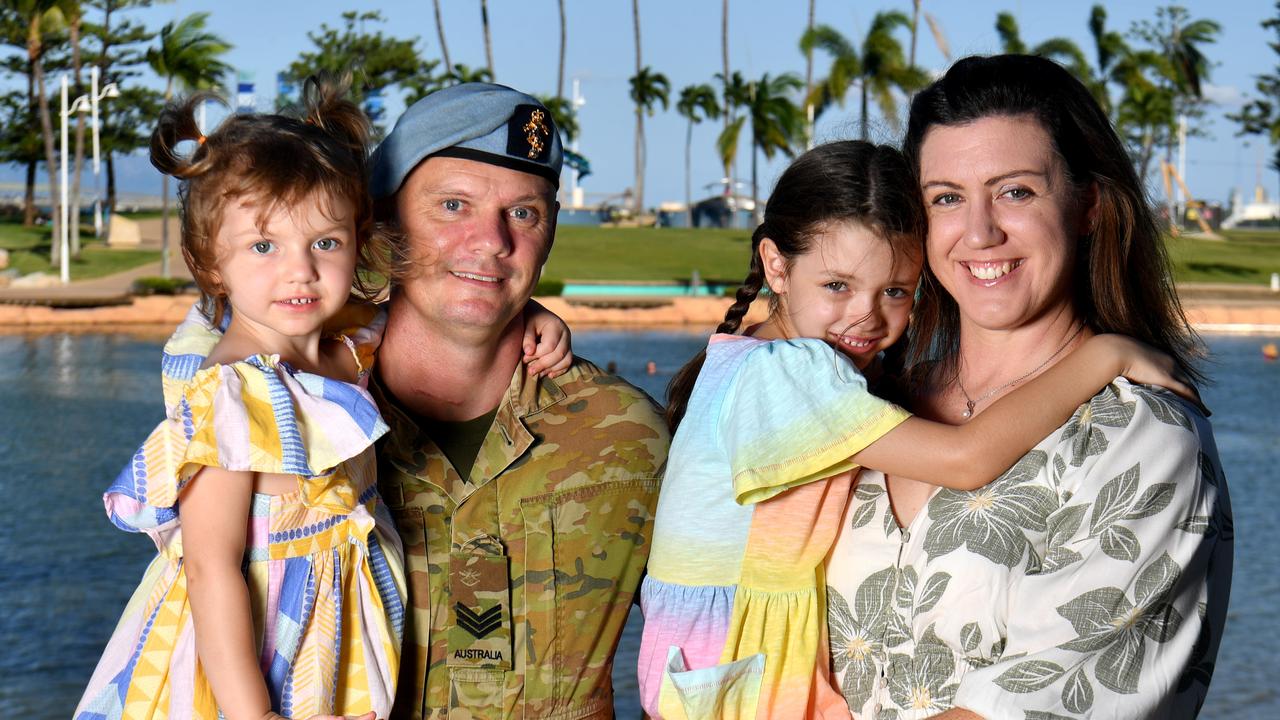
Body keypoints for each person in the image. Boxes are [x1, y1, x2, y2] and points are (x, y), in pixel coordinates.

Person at [639, 140, 1200, 720]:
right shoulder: (787, 376)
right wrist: (1101, 356)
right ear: (777, 265)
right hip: (738, 665)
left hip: (716, 660)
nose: (867, 317)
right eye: (837, 286)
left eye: (896, 292)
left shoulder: (751, 355)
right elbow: (965, 459)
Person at [824, 54, 1233, 719]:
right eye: (947, 198)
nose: (980, 232)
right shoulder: (860, 403)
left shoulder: (1146, 439)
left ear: (1088, 206)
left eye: (1015, 191)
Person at [74, 78, 405, 720]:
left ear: (358, 242)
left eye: (326, 242)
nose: (299, 269)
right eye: (263, 246)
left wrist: (532, 320)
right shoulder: (234, 394)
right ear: (210, 263)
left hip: (337, 633)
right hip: (253, 659)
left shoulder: (355, 341)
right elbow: (210, 568)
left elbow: (438, 331)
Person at [366, 83, 670, 719]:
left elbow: (728, 637)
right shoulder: (303, 426)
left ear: (550, 234)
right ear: (385, 221)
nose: (492, 241)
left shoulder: (628, 438)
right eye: (453, 205)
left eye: (524, 214)